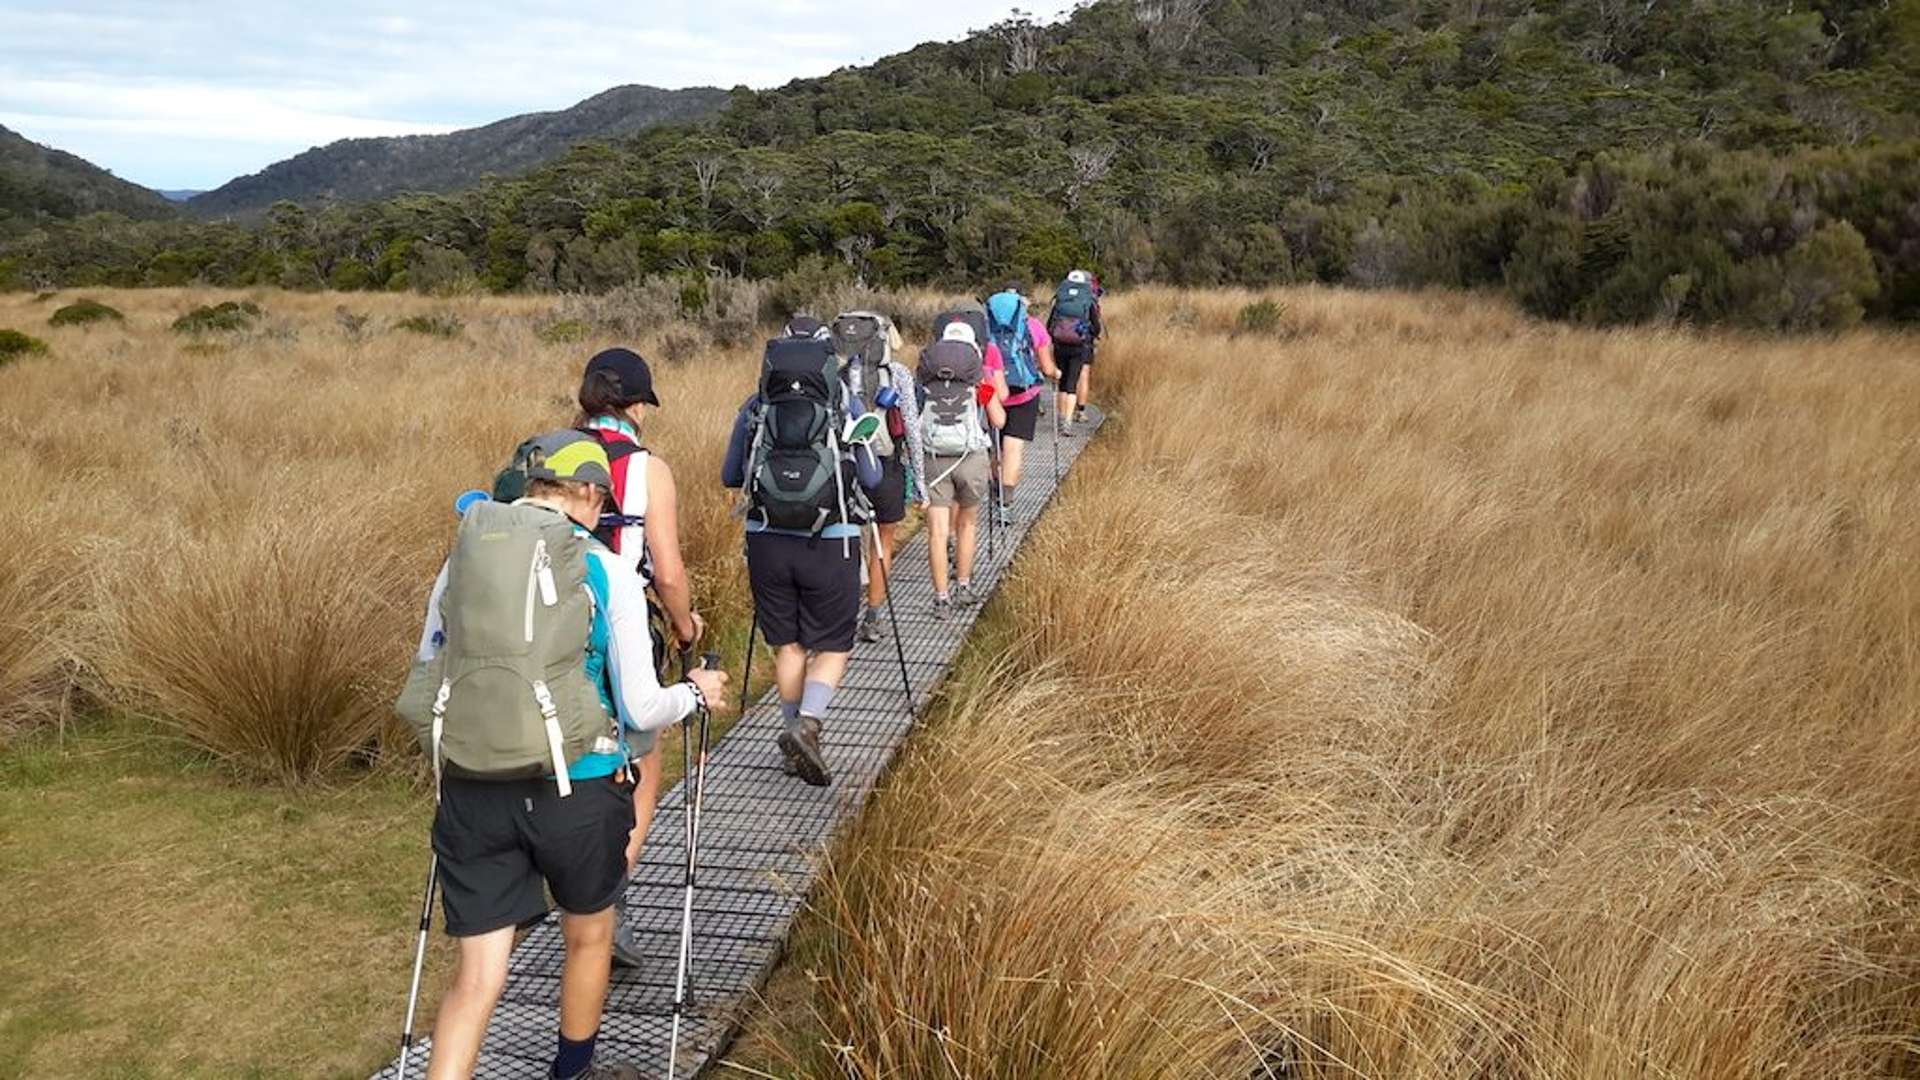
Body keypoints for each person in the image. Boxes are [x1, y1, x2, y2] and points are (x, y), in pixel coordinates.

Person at [411, 431, 730, 1080]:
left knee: (477, 980)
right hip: (577, 788)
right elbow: (640, 709)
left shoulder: (462, 560)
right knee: (588, 935)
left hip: (472, 788)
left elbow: (428, 665)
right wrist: (694, 695)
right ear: (587, 493)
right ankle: (571, 1071)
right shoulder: (606, 569)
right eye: (601, 503)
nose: (601, 514)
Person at [569, 346, 708, 969]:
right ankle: (605, 909)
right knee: (640, 769)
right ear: (632, 405)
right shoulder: (647, 469)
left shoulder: (545, 455)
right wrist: (685, 630)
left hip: (538, 628)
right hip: (617, 636)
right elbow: (669, 572)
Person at [722, 326, 883, 787]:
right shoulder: (844, 406)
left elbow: (731, 474)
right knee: (833, 644)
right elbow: (870, 479)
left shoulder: (755, 409)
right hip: (832, 540)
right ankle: (808, 724)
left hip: (767, 540)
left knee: (787, 643)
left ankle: (792, 735)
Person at [830, 312, 925, 644]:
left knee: (845, 540)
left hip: (844, 466)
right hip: (886, 465)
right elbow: (911, 428)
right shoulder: (897, 374)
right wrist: (921, 482)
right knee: (883, 542)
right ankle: (872, 616)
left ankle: (842, 613)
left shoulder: (832, 375)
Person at [917, 322, 1005, 618]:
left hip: (933, 457)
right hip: (970, 458)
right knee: (967, 525)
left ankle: (941, 598)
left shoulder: (925, 382)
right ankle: (964, 587)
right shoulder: (979, 381)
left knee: (937, 533)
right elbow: (999, 420)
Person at [983, 286, 1058, 524]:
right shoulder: (1032, 325)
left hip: (992, 395)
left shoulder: (983, 328)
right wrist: (1056, 373)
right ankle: (1006, 505)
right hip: (1024, 395)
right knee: (1013, 448)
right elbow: (1047, 369)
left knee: (995, 448)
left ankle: (995, 493)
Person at [1047, 270, 1104, 432]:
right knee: (1072, 383)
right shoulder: (1088, 300)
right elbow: (1096, 326)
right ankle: (1068, 422)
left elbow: (1050, 324)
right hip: (1079, 346)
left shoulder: (1060, 299)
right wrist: (1089, 335)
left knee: (1062, 383)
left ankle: (1061, 417)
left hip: (1060, 345)